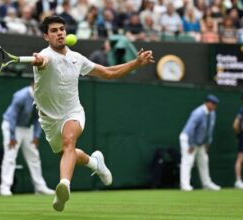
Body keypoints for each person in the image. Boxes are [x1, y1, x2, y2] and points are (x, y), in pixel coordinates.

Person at [31, 15, 154, 211]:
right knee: (69, 152)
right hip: (48, 120)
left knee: (69, 142)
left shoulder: (76, 58)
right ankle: (95, 163)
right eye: (54, 31)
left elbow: (108, 72)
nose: (60, 33)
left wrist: (137, 63)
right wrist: (38, 60)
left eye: (62, 29)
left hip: (73, 112)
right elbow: (43, 61)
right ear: (46, 36)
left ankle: (63, 186)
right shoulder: (45, 56)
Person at [0, 84, 55, 196]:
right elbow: (12, 117)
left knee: (34, 157)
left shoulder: (41, 97)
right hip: (11, 126)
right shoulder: (21, 96)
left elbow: (38, 117)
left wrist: (36, 136)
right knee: (10, 156)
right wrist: (12, 136)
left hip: (27, 128)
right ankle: (4, 188)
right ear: (34, 85)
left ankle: (40, 187)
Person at [179, 94, 221, 191]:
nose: (214, 106)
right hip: (188, 138)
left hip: (201, 141)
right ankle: (184, 185)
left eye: (215, 104)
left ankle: (206, 184)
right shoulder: (197, 113)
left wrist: (207, 143)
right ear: (207, 103)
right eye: (212, 103)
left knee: (204, 160)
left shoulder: (213, 113)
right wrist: (191, 144)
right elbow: (190, 129)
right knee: (188, 161)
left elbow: (209, 129)